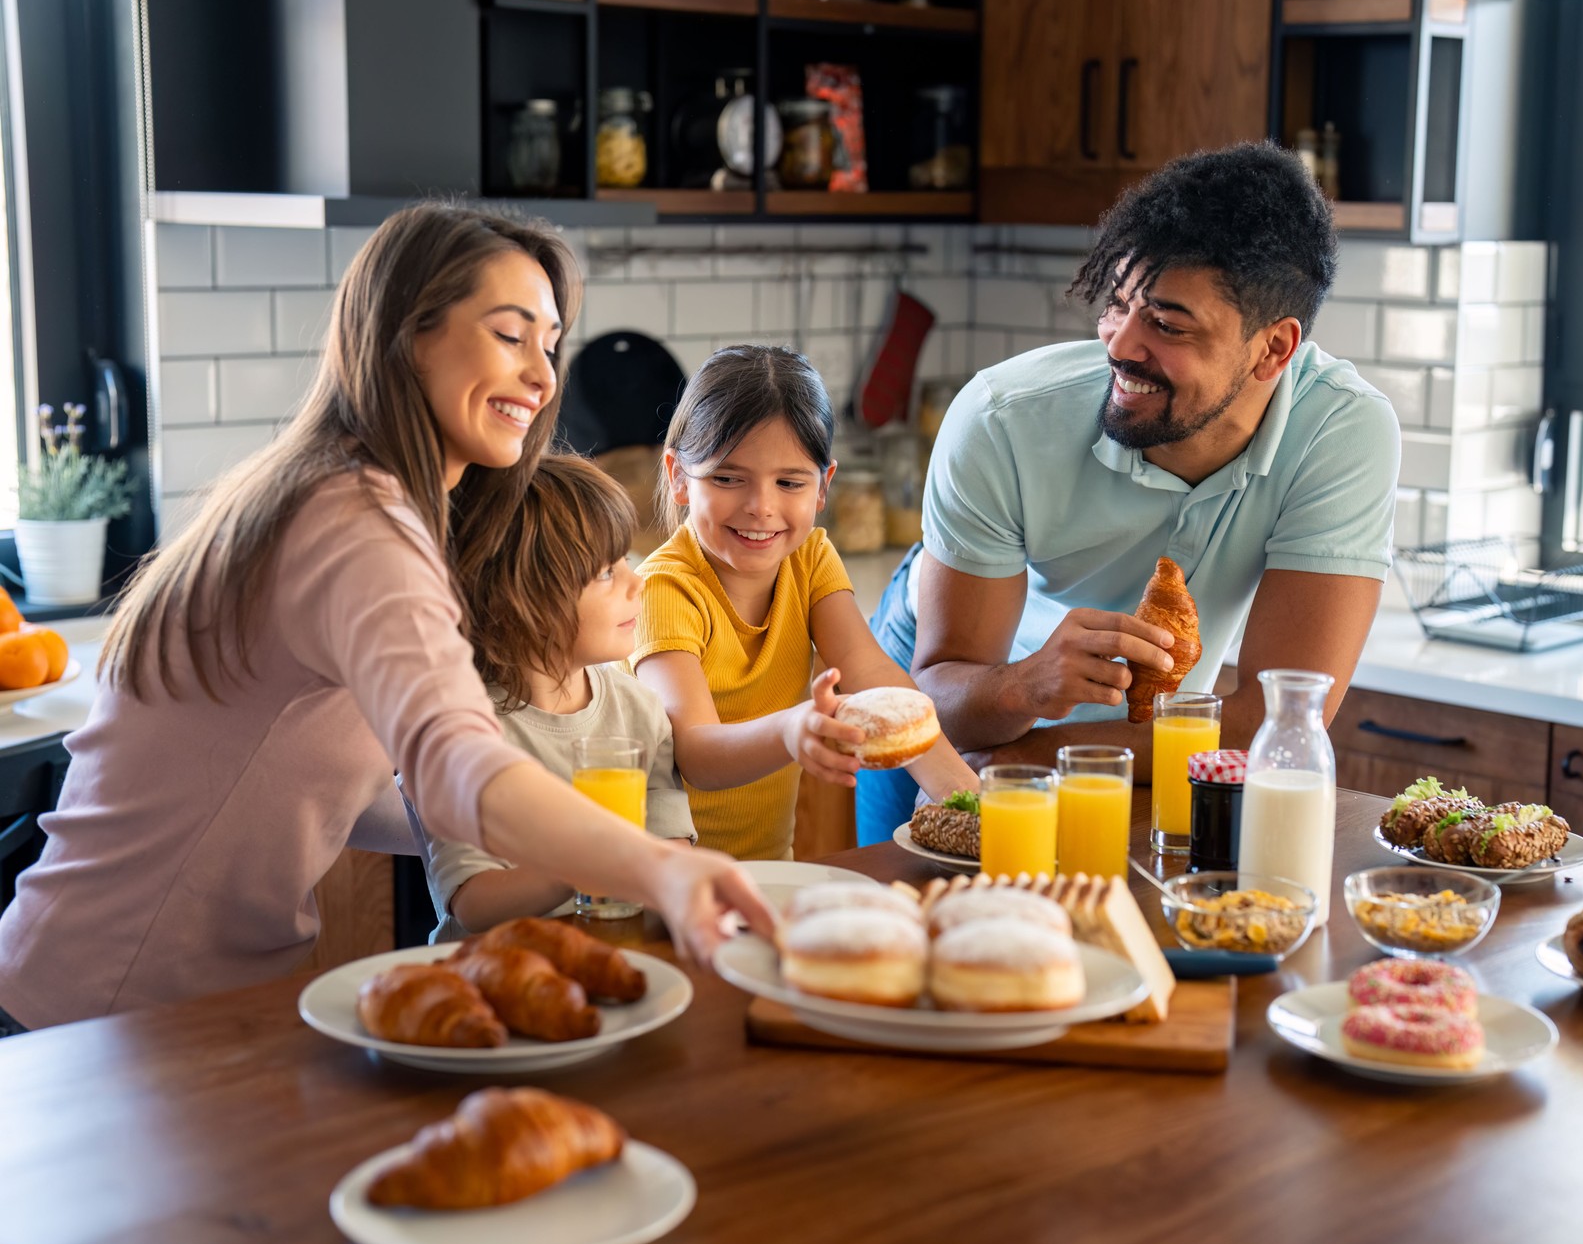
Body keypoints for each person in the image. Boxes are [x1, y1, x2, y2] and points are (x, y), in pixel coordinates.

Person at [0, 203, 772, 1033]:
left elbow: (306, 782)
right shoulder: (353, 523)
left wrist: (514, 833)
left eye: (549, 346)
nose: (545, 378)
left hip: (143, 1002)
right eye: (512, 336)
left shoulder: (340, 493)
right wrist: (655, 866)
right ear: (408, 336)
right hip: (105, 1014)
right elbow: (453, 767)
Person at [857, 142, 1401, 843]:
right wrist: (1028, 687)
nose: (1121, 343)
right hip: (959, 695)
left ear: (1273, 349)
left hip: (1137, 744)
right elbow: (941, 692)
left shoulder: (1342, 433)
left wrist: (1042, 758)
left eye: (1168, 326)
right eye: (1117, 305)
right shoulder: (1002, 420)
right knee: (910, 920)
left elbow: (1272, 717)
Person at [632, 344, 977, 861]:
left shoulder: (810, 557)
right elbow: (697, 752)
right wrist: (791, 728)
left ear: (823, 487)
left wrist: (971, 800)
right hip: (662, 880)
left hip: (771, 868)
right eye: (727, 478)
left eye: (789, 482)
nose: (761, 507)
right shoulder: (666, 588)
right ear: (679, 476)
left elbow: (870, 672)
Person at [416, 452, 696, 943]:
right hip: (497, 972)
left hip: (611, 948)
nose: (639, 580)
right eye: (607, 573)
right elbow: (473, 901)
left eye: (625, 562)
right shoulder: (467, 733)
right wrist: (580, 862)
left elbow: (670, 840)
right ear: (525, 601)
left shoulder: (639, 708)